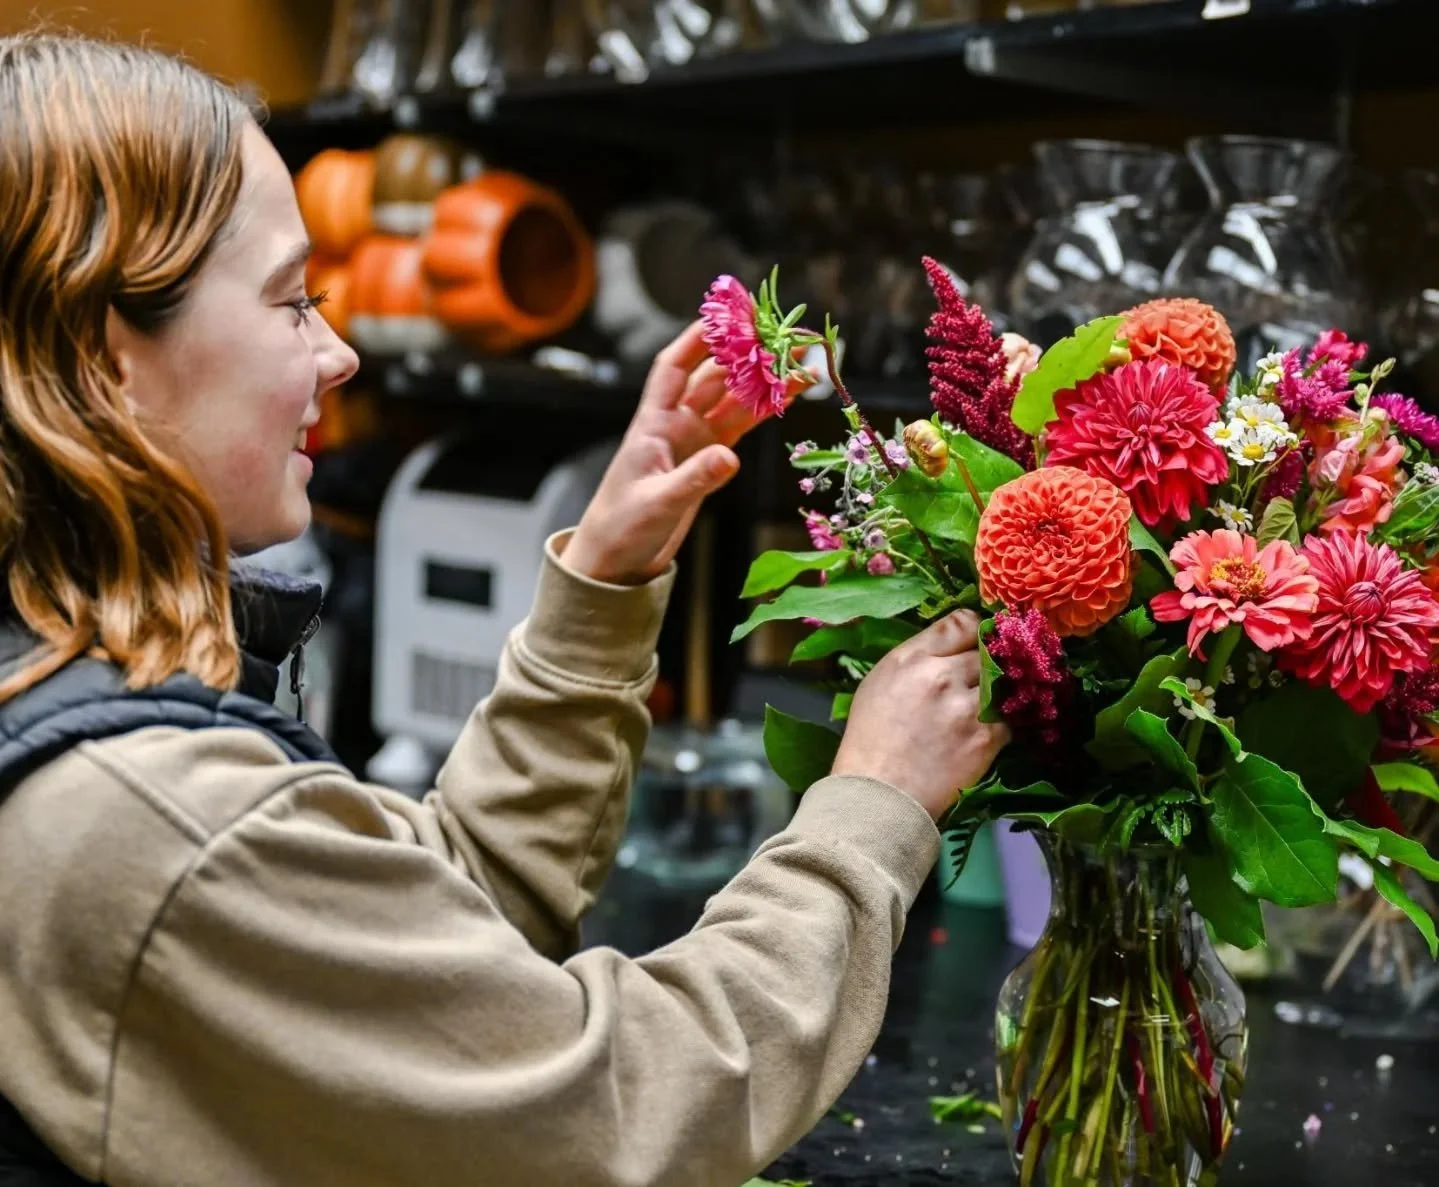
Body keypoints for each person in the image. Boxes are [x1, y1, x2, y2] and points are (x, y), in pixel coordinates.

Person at [0, 32, 1007, 1187]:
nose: (337, 351)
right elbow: (607, 1104)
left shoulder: (54, 697)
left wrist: (607, 584)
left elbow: (407, 958)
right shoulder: (150, 826)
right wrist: (870, 806)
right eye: (289, 301)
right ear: (104, 354)